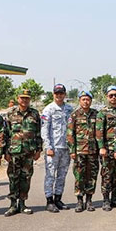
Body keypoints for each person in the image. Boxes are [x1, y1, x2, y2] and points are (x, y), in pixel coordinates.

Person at [3, 89, 43, 216]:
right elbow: (6, 134)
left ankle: (22, 203)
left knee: (26, 178)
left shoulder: (35, 114)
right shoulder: (10, 113)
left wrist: (39, 150)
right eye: (22, 98)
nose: (24, 100)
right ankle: (13, 205)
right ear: (18, 99)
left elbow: (38, 133)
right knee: (13, 177)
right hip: (14, 151)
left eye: (27, 98)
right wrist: (5, 151)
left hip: (29, 151)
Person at [41, 84, 73, 213]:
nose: (59, 95)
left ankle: (58, 199)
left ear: (65, 94)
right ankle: (49, 201)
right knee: (50, 175)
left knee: (62, 175)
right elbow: (44, 130)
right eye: (57, 93)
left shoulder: (69, 109)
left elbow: (72, 128)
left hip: (66, 148)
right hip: (53, 148)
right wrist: (48, 146)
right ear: (53, 94)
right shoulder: (48, 109)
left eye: (61, 93)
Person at [97, 86, 116, 211]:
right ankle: (106, 199)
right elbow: (99, 131)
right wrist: (101, 147)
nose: (113, 97)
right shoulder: (102, 112)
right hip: (107, 149)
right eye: (111, 95)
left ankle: (115, 197)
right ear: (107, 97)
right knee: (107, 174)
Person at [69, 90, 99, 212]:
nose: (86, 102)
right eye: (83, 99)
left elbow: (100, 132)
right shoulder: (74, 115)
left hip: (93, 151)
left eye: (88, 99)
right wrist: (72, 151)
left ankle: (89, 200)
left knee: (92, 176)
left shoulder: (96, 114)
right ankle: (79, 200)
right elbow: (70, 134)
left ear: (91, 101)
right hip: (79, 151)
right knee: (79, 176)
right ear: (79, 101)